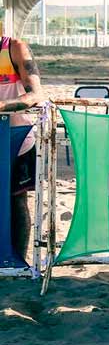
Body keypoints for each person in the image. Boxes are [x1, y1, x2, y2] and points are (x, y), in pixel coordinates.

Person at [0, 35, 45, 265]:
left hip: (18, 138)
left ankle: (18, 264)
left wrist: (2, 107)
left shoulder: (14, 48)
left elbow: (36, 95)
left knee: (16, 201)